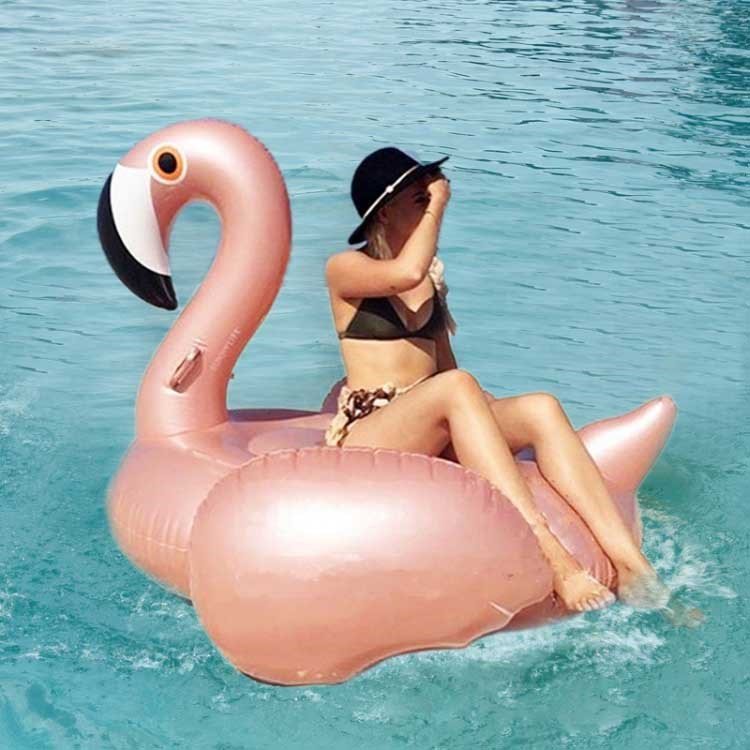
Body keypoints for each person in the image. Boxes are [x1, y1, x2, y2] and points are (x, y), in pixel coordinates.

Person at [323, 146, 673, 613]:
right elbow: (406, 273)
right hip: (373, 430)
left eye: (431, 195)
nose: (430, 200)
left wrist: (485, 413)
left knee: (539, 406)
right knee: (458, 387)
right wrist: (440, 203)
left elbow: (445, 369)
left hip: (431, 420)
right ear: (384, 212)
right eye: (419, 197)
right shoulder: (346, 268)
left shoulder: (429, 280)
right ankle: (553, 557)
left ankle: (631, 564)